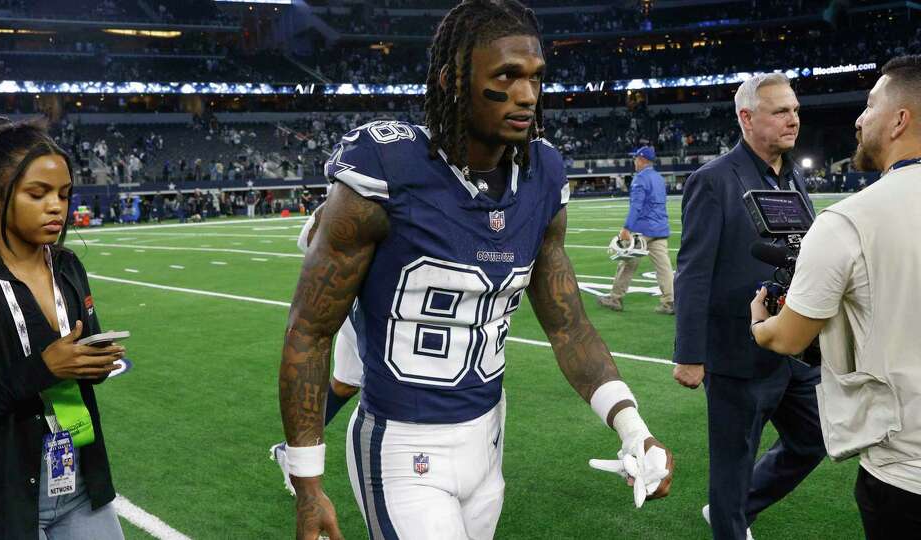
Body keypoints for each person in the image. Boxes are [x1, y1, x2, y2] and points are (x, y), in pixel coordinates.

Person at [278, 2, 674, 539]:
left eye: (535, 77)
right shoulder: (386, 168)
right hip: (402, 446)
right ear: (453, 80)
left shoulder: (541, 175)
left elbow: (568, 326)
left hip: (488, 440)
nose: (527, 94)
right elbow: (310, 328)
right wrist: (307, 481)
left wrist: (634, 429)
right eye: (506, 76)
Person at [749, 55, 921, 539]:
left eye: (870, 105)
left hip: (905, 471)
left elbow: (788, 338)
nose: (859, 119)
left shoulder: (848, 220)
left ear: (899, 120)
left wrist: (760, 321)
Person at [672, 73, 825, 540]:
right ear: (746, 118)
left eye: (795, 110)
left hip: (791, 346)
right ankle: (730, 522)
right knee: (732, 467)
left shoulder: (793, 175)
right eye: (780, 111)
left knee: (814, 439)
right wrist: (690, 354)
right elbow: (693, 271)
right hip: (736, 352)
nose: (793, 120)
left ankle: (738, 511)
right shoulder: (713, 180)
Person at [0, 116, 125, 539]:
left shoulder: (68, 267)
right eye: (38, 193)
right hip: (0, 495)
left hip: (80, 479)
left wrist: (96, 363)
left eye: (64, 194)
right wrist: (42, 371)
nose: (57, 206)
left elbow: (81, 351)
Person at [270, 201, 363, 496]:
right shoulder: (361, 185)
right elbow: (309, 235)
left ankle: (291, 451)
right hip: (361, 301)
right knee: (387, 373)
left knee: (347, 384)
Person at [597, 145, 674, 314]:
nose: (634, 161)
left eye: (636, 158)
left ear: (642, 159)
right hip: (660, 228)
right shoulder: (659, 178)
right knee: (664, 267)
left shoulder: (640, 179)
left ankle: (615, 298)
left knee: (627, 264)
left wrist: (626, 228)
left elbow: (636, 207)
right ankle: (670, 301)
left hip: (642, 230)